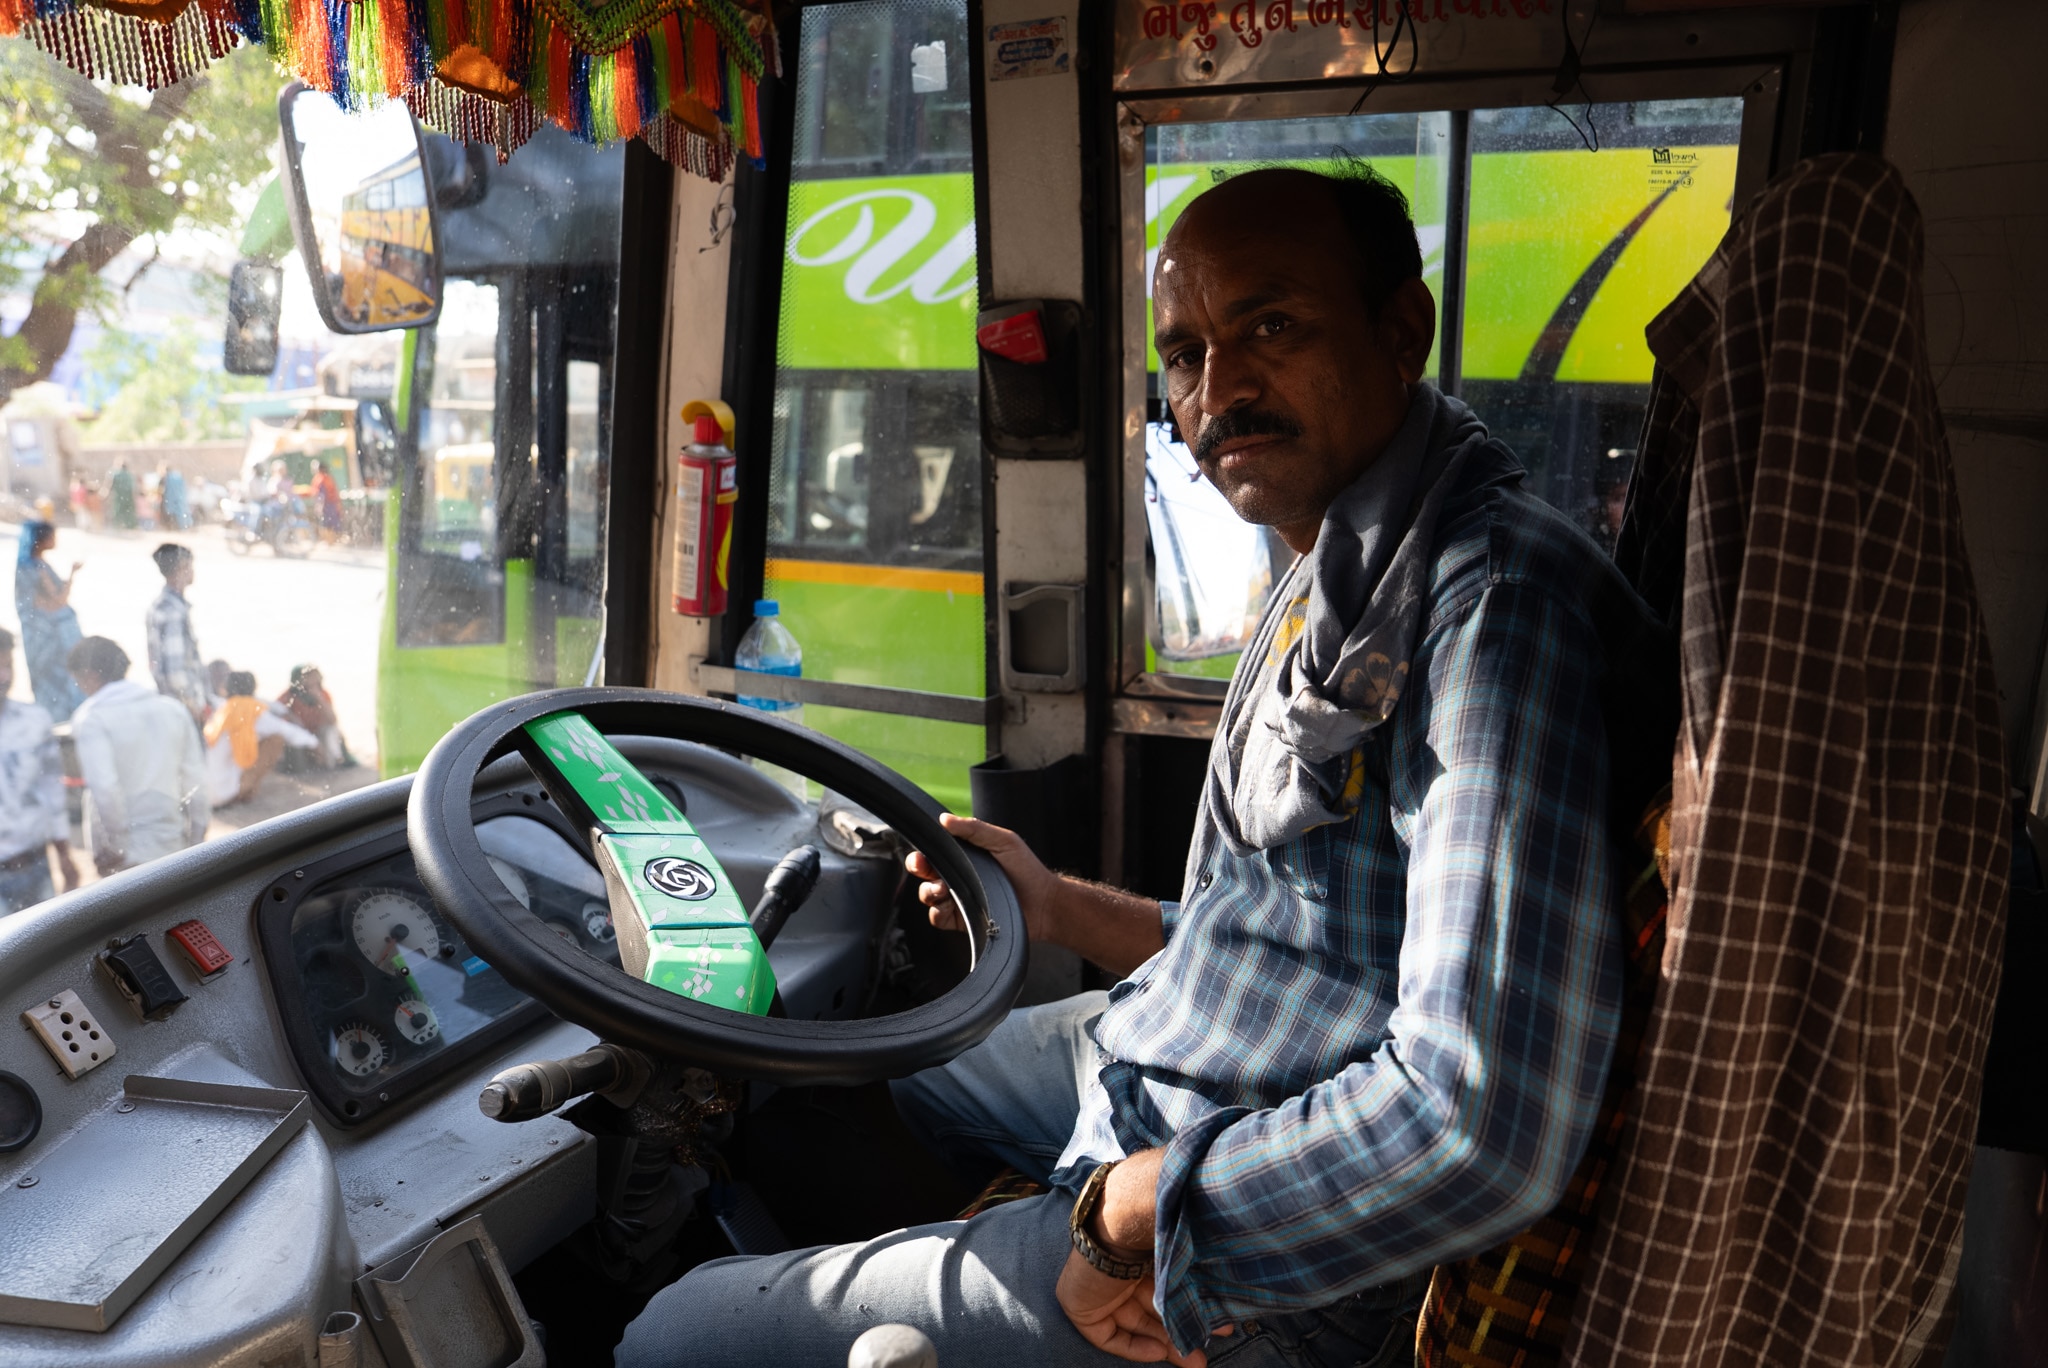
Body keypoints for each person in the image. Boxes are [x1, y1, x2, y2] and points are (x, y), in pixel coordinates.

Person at [621, 163, 1649, 1368]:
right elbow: (1275, 942)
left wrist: (1125, 1213)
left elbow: (1477, 1124)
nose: (1218, 391)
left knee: (664, 1336)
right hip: (1166, 1048)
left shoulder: (1487, 608)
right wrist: (1055, 906)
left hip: (1268, 1243)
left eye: (1270, 326)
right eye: (1183, 354)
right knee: (836, 1077)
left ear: (1400, 328)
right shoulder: (1339, 561)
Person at [67, 636, 208, 876]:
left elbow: (105, 789)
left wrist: (118, 845)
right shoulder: (172, 709)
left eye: (78, 681)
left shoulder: (92, 719)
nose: (80, 687)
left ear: (89, 675)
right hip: (174, 842)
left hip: (125, 856)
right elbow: (196, 780)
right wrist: (196, 837)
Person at [0, 626, 77, 914]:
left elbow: (51, 791)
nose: (3, 676)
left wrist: (65, 857)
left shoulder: (35, 721)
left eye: (8, 665)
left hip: (37, 867)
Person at [204, 670, 316, 806]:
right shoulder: (249, 710)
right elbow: (288, 732)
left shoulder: (222, 709)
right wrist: (315, 743)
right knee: (275, 740)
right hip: (226, 792)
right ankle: (246, 790)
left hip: (208, 793)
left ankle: (242, 790)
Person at [12, 521, 84, 722]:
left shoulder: (35, 565)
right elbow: (58, 600)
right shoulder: (34, 569)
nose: (55, 540)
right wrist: (72, 574)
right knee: (57, 681)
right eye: (51, 536)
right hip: (49, 637)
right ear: (40, 540)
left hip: (44, 636)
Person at [145, 542, 209, 726]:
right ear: (182, 568)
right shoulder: (172, 611)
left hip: (173, 705)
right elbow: (175, 672)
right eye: (190, 565)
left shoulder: (164, 606)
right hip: (183, 708)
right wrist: (194, 705)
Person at [276, 663, 353, 769]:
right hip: (300, 735)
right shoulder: (289, 696)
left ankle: (333, 762)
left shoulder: (323, 694)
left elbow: (332, 720)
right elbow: (277, 716)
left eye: (315, 677)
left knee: (331, 731)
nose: (313, 680)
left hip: (319, 734)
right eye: (309, 677)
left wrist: (318, 697)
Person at [311, 460, 342, 540]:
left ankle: (329, 541)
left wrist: (319, 506)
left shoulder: (320, 479)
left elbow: (321, 495)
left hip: (327, 505)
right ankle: (332, 540)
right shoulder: (329, 478)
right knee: (333, 522)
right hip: (332, 504)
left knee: (326, 523)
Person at [108, 459, 136, 530]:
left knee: (117, 512)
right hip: (128, 497)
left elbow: (111, 486)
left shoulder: (116, 474)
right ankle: (128, 526)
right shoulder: (130, 475)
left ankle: (117, 526)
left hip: (118, 497)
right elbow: (133, 488)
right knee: (128, 512)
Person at [161, 464, 190, 530]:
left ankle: (173, 527)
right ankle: (182, 526)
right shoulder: (177, 476)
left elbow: (165, 490)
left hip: (171, 499)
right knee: (180, 514)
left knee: (171, 514)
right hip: (179, 499)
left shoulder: (169, 478)